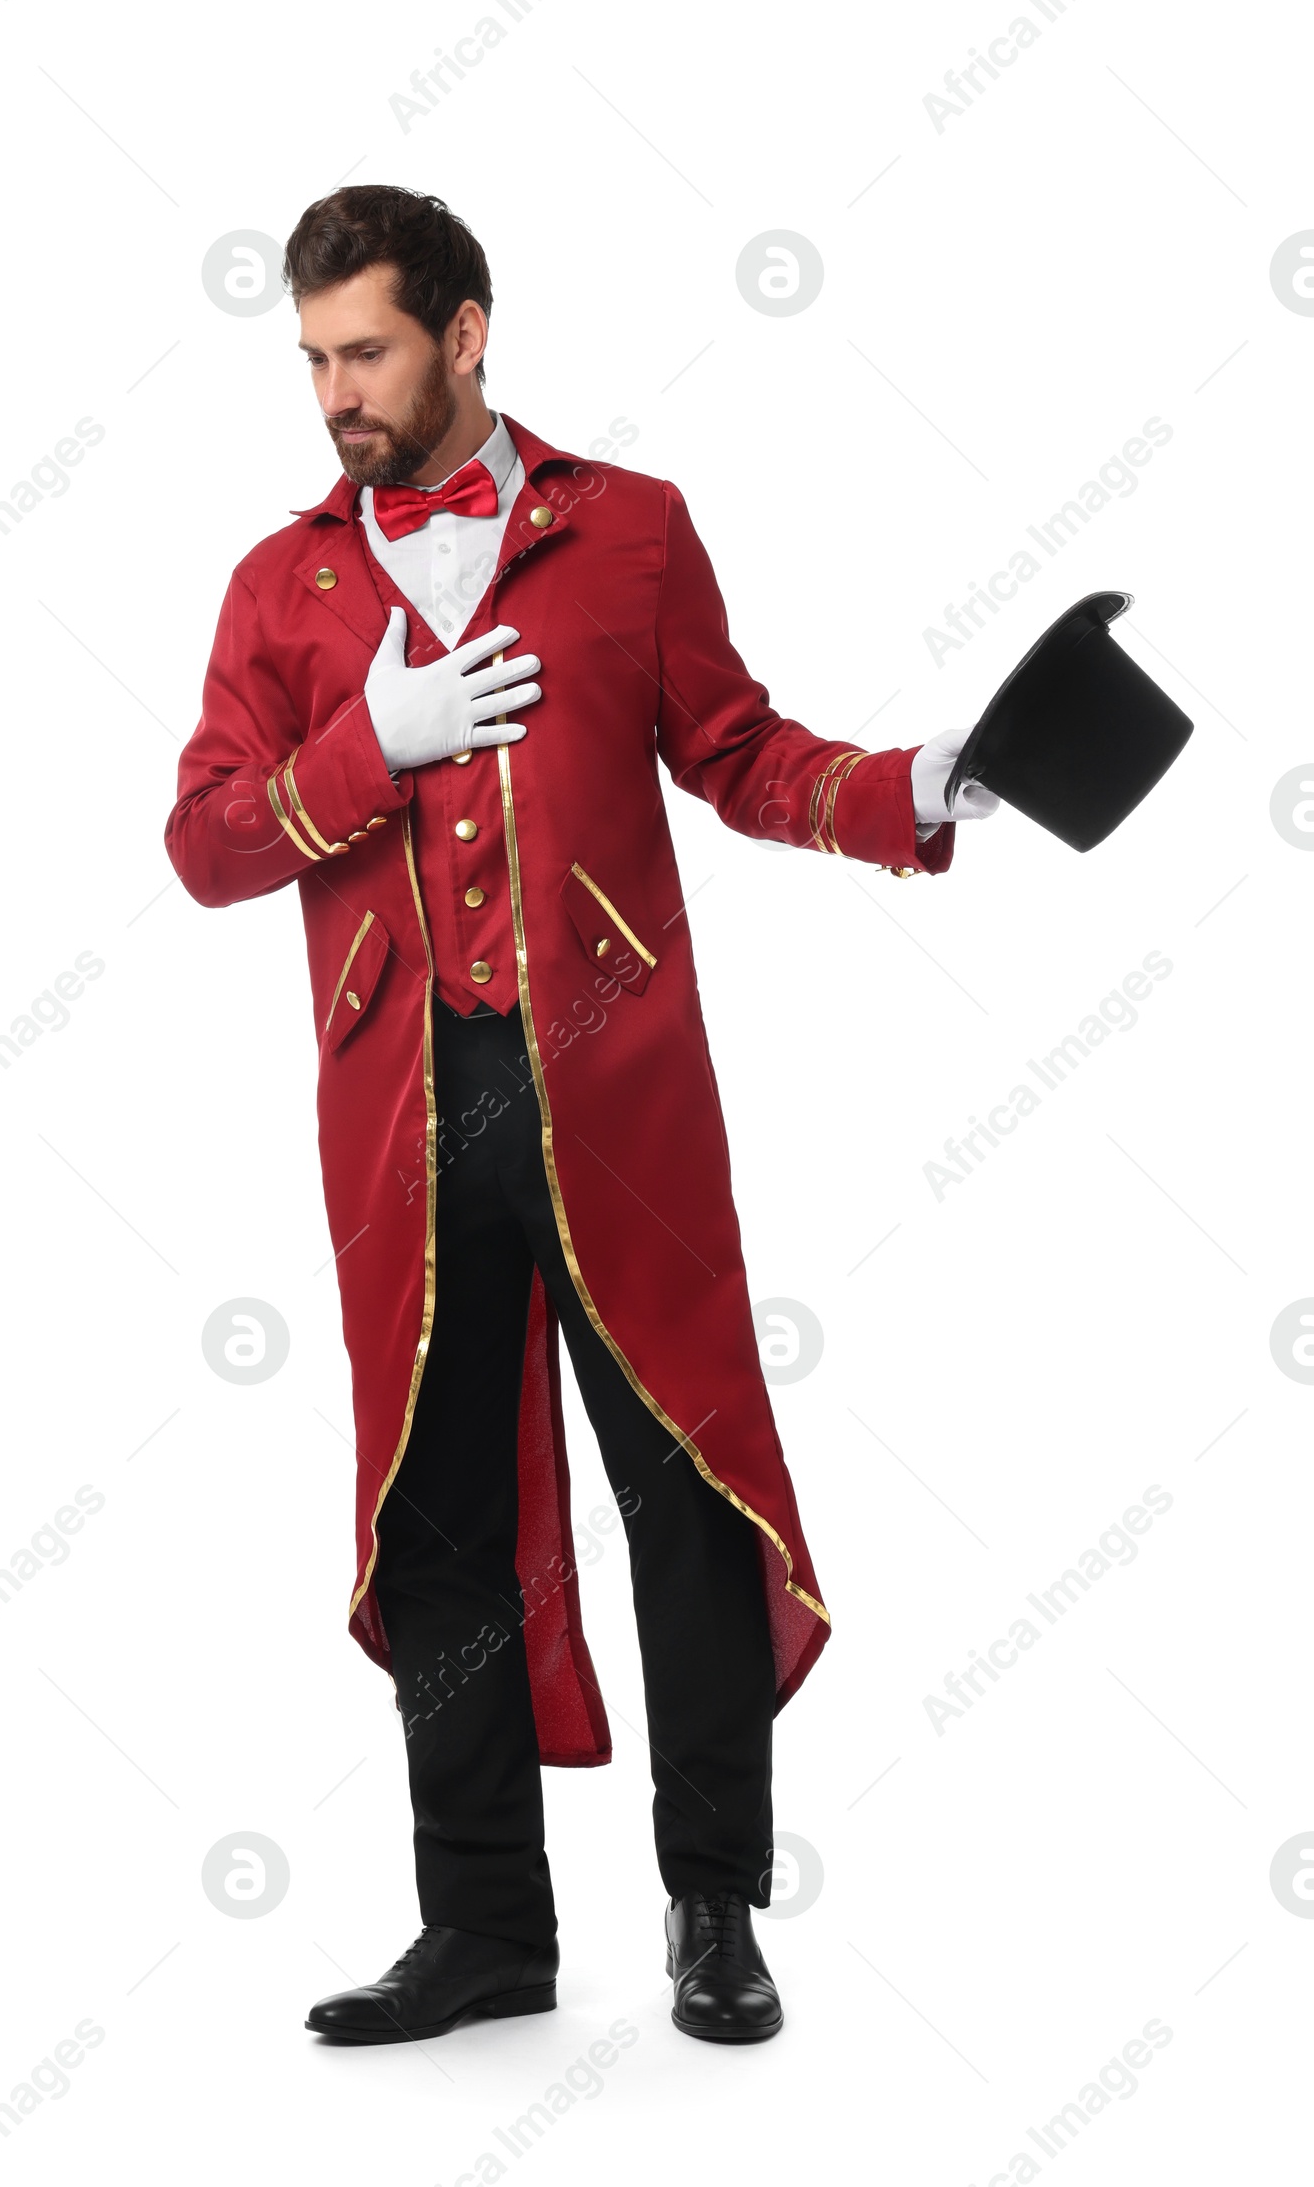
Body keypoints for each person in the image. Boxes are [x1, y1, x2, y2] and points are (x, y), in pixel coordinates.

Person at [164, 185, 997, 2045]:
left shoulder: (629, 532)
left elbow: (740, 753)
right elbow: (208, 843)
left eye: (364, 350)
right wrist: (371, 747)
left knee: (681, 1489)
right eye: (311, 359)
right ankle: (485, 1935)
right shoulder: (278, 588)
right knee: (440, 1507)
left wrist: (917, 784)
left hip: (614, 1091)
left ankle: (715, 1915)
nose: (334, 396)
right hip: (404, 1109)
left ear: (467, 332)